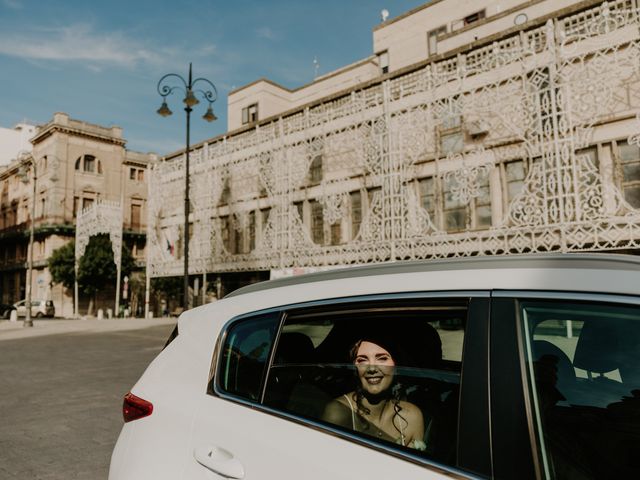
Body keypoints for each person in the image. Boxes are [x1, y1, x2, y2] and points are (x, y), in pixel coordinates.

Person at [322, 336, 426, 450]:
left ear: (396, 366)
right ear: (355, 368)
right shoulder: (338, 412)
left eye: (382, 358)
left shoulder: (411, 416)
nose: (372, 368)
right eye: (362, 360)